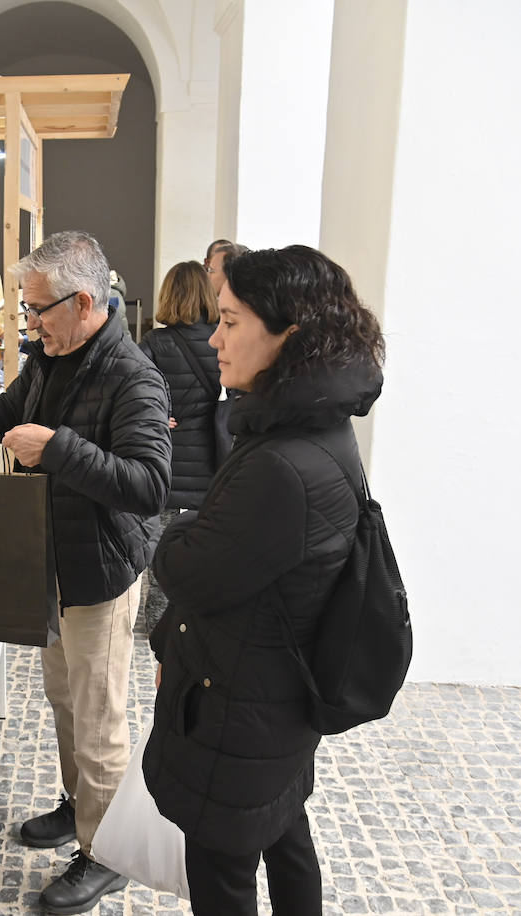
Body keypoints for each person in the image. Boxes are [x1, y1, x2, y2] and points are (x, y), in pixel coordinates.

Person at [0, 230, 171, 914]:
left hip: (100, 573)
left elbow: (149, 485)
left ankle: (106, 855)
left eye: (37, 309)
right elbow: (7, 412)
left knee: (99, 719)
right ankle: (80, 806)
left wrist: (59, 449)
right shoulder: (52, 357)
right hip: (54, 559)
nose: (29, 321)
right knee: (63, 698)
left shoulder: (133, 376)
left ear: (83, 303)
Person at [143, 245, 386, 915]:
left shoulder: (282, 463)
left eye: (230, 322)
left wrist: (179, 531)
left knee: (222, 873)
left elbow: (187, 568)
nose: (215, 339)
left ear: (290, 336)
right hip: (276, 694)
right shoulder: (316, 426)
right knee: (284, 831)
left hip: (241, 707)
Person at [136, 261, 225, 634]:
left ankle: (159, 626)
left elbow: (132, 391)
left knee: (161, 550)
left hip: (165, 463)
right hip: (212, 462)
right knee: (205, 551)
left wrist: (157, 415)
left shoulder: (155, 344)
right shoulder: (223, 339)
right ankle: (195, 621)